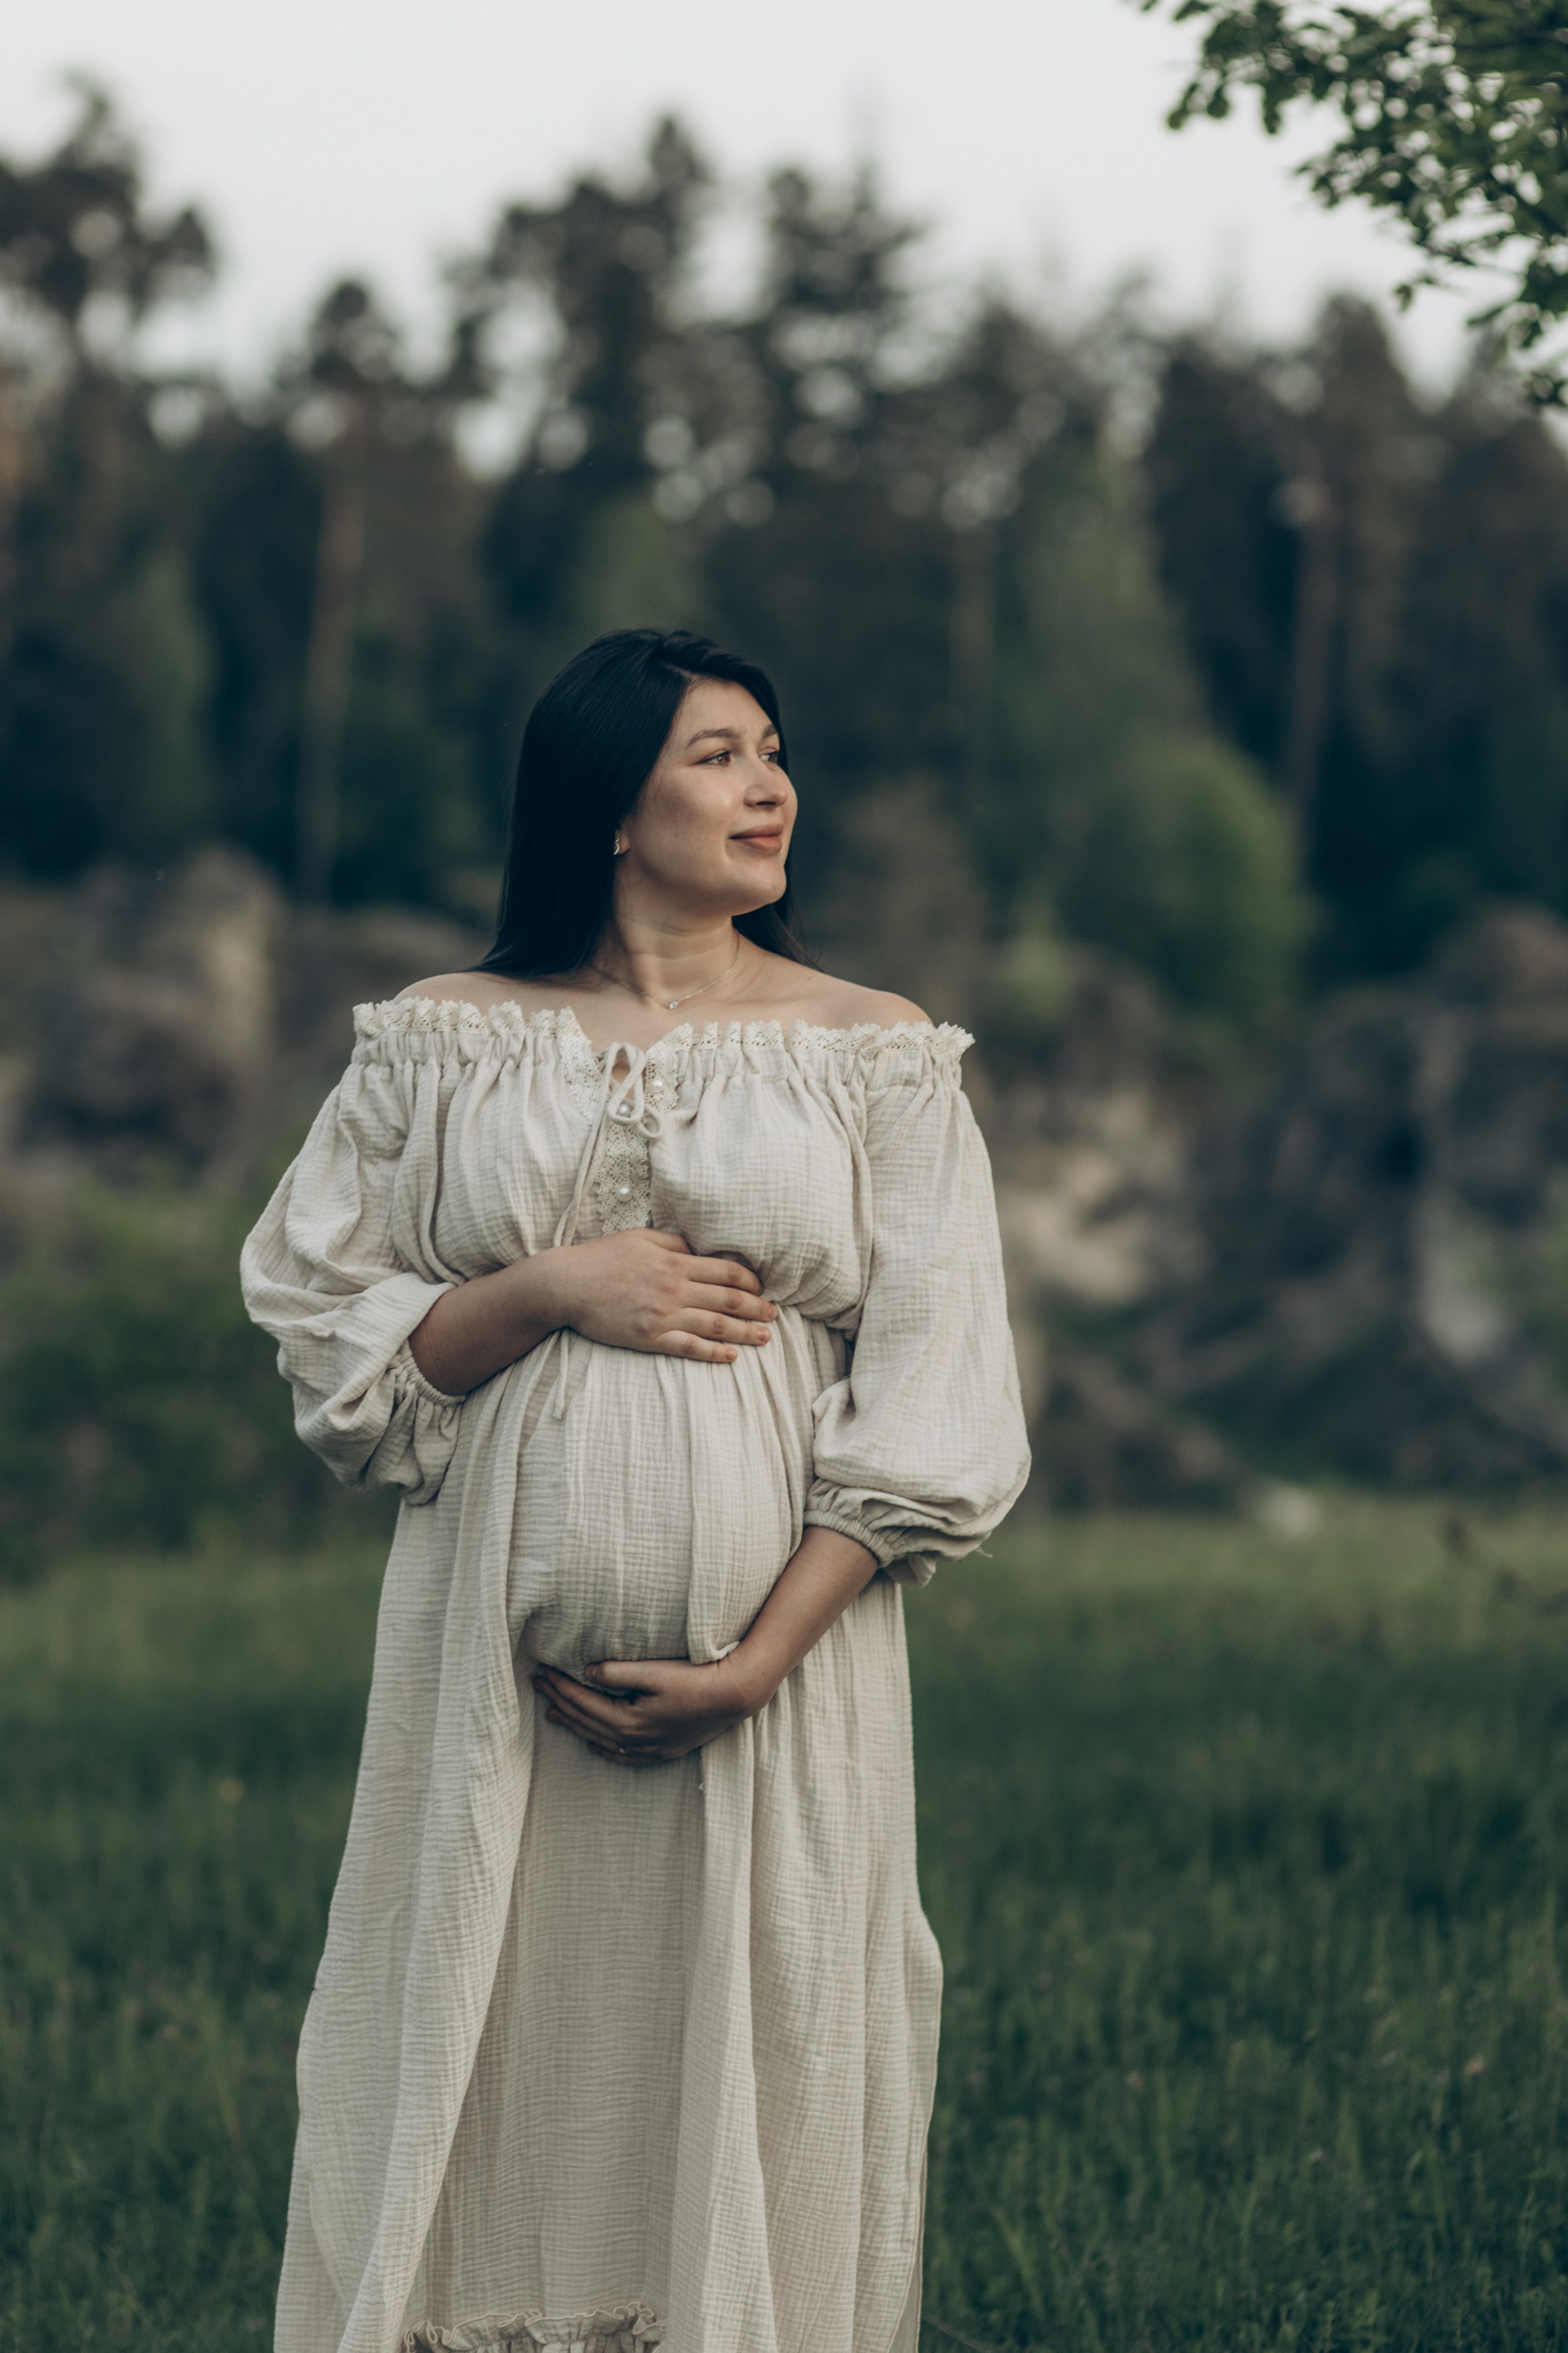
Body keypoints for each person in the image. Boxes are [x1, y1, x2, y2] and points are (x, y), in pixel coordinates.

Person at [241, 628, 1030, 2353]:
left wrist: (757, 1664)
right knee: (482, 2038)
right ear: (608, 802)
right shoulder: (442, 1041)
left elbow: (939, 1394)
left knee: (762, 2040)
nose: (770, 789)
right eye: (718, 756)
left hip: (783, 1702)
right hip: (490, 1691)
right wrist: (549, 1288)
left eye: (775, 752)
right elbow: (323, 1320)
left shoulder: (873, 1049)